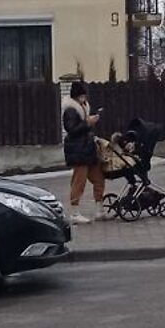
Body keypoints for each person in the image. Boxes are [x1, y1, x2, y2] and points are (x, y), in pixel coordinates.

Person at [61, 81, 105, 225]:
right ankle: (74, 213)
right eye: (82, 96)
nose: (84, 98)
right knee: (79, 181)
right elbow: (72, 129)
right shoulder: (70, 110)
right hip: (78, 150)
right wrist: (88, 123)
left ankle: (100, 209)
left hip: (87, 149)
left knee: (98, 178)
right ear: (76, 97)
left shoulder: (83, 107)